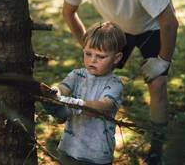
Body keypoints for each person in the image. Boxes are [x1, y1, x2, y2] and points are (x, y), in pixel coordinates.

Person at [62, 0, 179, 165]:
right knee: (94, 74)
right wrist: (89, 50)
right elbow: (69, 13)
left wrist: (163, 61)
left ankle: (156, 147)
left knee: (157, 84)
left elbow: (169, 22)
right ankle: (88, 133)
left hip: (151, 28)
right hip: (117, 28)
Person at [41, 21, 127, 165]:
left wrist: (74, 104)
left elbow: (103, 107)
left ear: (116, 58)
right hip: (69, 148)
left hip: (96, 155)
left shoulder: (114, 84)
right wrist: (54, 93)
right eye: (88, 53)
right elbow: (63, 88)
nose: (93, 60)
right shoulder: (77, 75)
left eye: (101, 56)